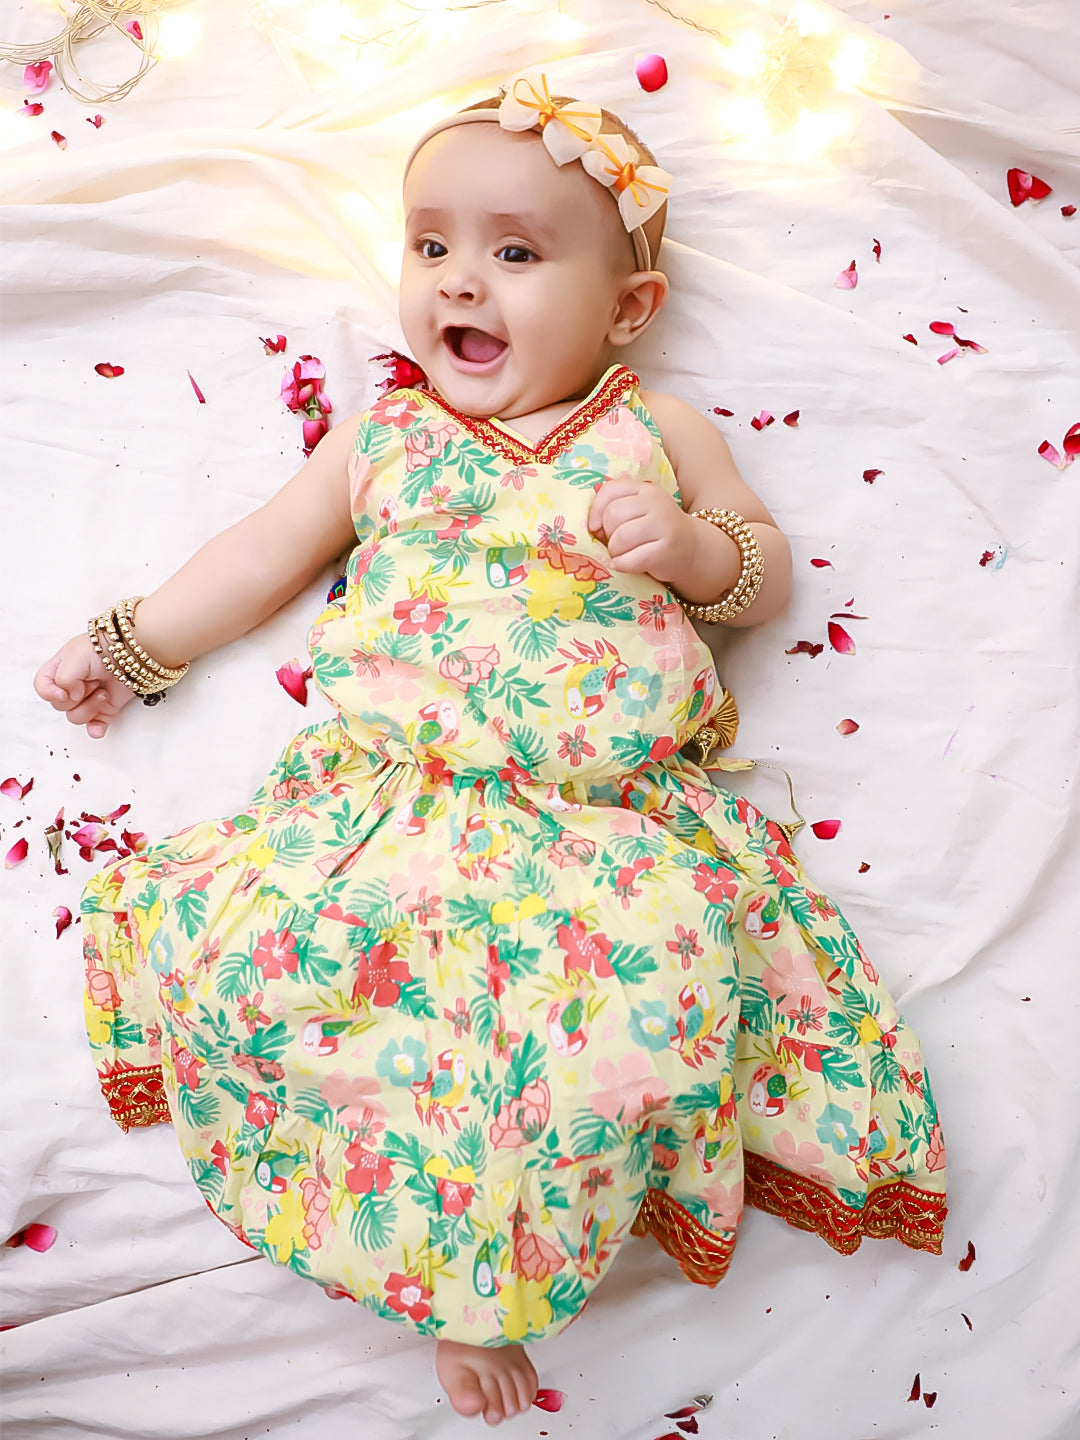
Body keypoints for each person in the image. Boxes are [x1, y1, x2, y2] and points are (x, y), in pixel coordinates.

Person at [34, 72, 947, 1427]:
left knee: (614, 1030)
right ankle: (436, 1265)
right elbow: (259, 555)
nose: (460, 280)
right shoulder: (384, 438)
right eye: (432, 244)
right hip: (397, 809)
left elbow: (763, 574)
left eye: (516, 254)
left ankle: (494, 1272)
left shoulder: (658, 431)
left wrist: (694, 550)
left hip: (601, 826)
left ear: (628, 307)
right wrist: (132, 642)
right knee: (306, 984)